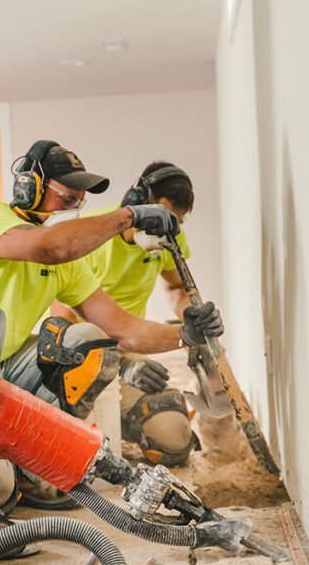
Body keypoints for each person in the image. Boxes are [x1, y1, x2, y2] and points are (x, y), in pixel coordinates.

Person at [0, 140, 223, 506]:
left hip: (9, 369)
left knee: (86, 341)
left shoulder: (69, 261)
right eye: (68, 198)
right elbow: (51, 247)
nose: (75, 208)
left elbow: (122, 328)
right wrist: (129, 216)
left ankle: (34, 460)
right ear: (28, 189)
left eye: (80, 201)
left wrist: (186, 334)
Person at [52, 161, 200, 465]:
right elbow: (64, 329)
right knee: (63, 460)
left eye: (176, 223)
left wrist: (191, 319)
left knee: (173, 439)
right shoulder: (88, 237)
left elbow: (176, 288)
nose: (167, 231)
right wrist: (118, 365)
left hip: (128, 350)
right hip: (75, 362)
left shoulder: (169, 237)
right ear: (137, 202)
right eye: (162, 218)